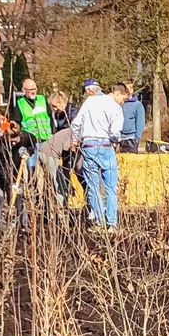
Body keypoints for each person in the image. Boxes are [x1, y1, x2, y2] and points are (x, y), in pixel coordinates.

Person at [71, 80, 125, 231]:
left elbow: (76, 124)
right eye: (123, 98)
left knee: (93, 187)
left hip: (88, 146)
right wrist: (115, 140)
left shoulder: (89, 102)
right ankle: (112, 224)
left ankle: (100, 222)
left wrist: (75, 140)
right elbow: (115, 132)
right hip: (106, 147)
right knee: (111, 187)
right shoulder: (114, 107)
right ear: (117, 93)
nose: (123, 102)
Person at [10, 78, 53, 144]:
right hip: (30, 141)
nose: (33, 92)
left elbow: (50, 118)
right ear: (24, 90)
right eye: (30, 90)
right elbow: (17, 123)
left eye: (34, 89)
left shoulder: (42, 99)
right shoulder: (20, 103)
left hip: (47, 139)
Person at [119, 81, 146, 153]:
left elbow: (140, 122)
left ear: (131, 90)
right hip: (119, 138)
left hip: (131, 138)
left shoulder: (138, 105)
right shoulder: (119, 104)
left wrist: (137, 138)